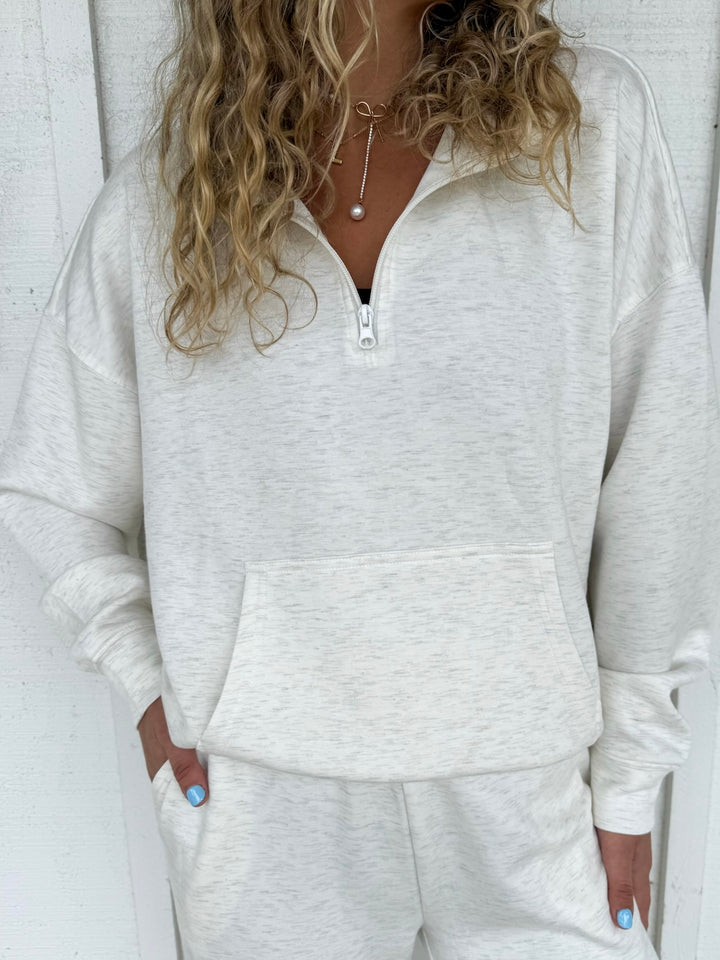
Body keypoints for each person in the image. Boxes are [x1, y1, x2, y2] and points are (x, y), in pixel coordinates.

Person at [1, 1, 719, 958]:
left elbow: (661, 461)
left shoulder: (585, 129)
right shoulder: (173, 195)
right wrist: (143, 684)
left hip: (534, 795)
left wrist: (629, 776)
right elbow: (54, 487)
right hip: (266, 812)